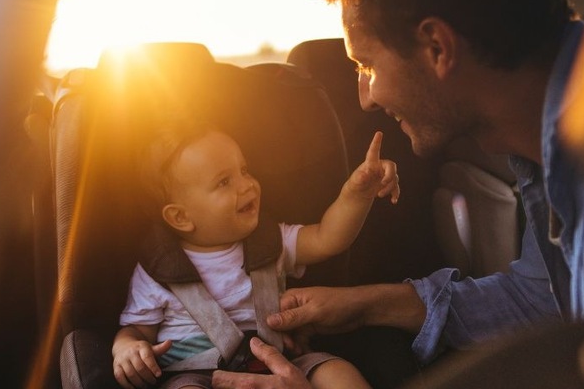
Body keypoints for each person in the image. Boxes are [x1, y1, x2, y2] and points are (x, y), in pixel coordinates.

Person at [211, 0, 584, 387]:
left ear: (437, 47)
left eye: (367, 65)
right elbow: (544, 301)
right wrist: (364, 306)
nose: (365, 99)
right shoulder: (550, 150)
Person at [112, 120, 399, 389]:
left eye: (244, 170)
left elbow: (327, 238)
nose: (247, 184)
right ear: (181, 217)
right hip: (196, 374)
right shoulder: (158, 269)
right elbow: (137, 330)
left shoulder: (271, 242)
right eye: (224, 182)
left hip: (278, 363)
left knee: (337, 372)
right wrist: (126, 347)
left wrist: (356, 195)